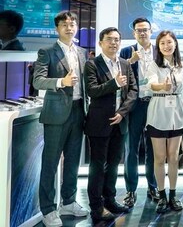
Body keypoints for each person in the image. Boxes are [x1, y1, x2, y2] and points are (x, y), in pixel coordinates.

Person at [33, 11, 89, 227]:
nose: (69, 27)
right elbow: (38, 81)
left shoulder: (82, 52)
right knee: (50, 162)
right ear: (57, 28)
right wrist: (60, 82)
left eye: (72, 24)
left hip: (78, 110)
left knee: (73, 161)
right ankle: (48, 209)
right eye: (64, 24)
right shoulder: (47, 52)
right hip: (56, 113)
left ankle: (69, 202)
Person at [84, 27, 137, 222]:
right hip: (99, 122)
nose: (113, 43)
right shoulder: (92, 64)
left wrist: (122, 113)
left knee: (114, 164)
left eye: (116, 39)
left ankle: (110, 200)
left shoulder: (125, 63)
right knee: (97, 166)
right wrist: (114, 83)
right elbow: (92, 90)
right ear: (101, 43)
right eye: (109, 39)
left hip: (120, 122)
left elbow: (134, 90)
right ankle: (96, 207)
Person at [146, 30, 183, 213]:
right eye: (162, 43)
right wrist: (163, 86)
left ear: (175, 44)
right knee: (160, 157)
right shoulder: (154, 64)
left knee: (173, 156)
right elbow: (152, 84)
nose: (166, 46)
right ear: (158, 46)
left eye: (169, 42)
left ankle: (173, 194)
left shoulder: (182, 64)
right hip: (158, 112)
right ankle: (161, 195)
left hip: (177, 112)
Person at [120, 17, 159, 207]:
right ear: (134, 33)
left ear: (151, 31)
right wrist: (130, 62)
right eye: (139, 30)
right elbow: (118, 75)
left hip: (155, 103)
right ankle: (131, 190)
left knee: (154, 149)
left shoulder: (159, 50)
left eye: (145, 30)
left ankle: (153, 187)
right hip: (134, 105)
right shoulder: (126, 51)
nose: (142, 33)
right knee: (131, 149)